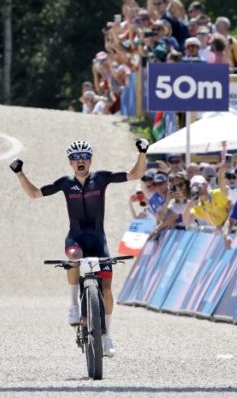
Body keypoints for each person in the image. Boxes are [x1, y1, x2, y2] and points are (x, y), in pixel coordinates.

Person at [9, 138, 148, 357]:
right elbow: (35, 194)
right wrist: (19, 173)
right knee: (74, 254)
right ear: (70, 162)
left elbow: (135, 174)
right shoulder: (65, 183)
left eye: (84, 157)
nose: (80, 160)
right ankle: (73, 305)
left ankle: (106, 336)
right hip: (76, 238)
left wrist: (143, 152)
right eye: (75, 158)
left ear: (90, 160)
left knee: (107, 291)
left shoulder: (101, 178)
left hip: (98, 240)